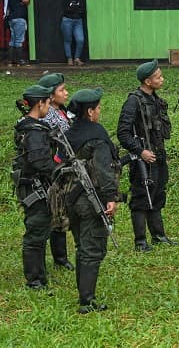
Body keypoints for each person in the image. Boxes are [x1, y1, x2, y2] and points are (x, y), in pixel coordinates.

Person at [61, 88, 119, 313]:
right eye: (98, 107)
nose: (100, 111)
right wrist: (111, 198)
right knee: (92, 249)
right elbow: (104, 171)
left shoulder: (68, 133)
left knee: (81, 246)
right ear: (90, 111)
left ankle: (84, 294)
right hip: (90, 199)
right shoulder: (97, 135)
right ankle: (87, 301)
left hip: (70, 199)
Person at [117, 60, 175, 251]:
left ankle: (158, 235)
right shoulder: (134, 101)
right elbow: (123, 133)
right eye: (158, 77)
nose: (162, 79)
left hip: (158, 155)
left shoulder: (155, 99)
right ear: (148, 81)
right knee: (141, 198)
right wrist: (140, 151)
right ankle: (140, 241)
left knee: (157, 195)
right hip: (143, 159)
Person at [13, 83, 56, 289]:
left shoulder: (28, 125)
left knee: (40, 232)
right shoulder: (34, 131)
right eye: (48, 103)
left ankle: (40, 274)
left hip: (33, 185)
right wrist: (58, 168)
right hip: (34, 187)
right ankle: (34, 280)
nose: (49, 107)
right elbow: (40, 162)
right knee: (35, 233)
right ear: (40, 103)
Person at [38, 72, 74, 271]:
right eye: (62, 90)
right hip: (54, 170)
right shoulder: (47, 117)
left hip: (66, 169)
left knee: (62, 211)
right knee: (55, 212)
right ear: (50, 96)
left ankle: (61, 256)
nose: (66, 93)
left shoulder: (63, 111)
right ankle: (59, 258)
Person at [5, 0, 30, 66]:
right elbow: (27, 0)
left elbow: (19, 3)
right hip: (19, 19)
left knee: (13, 40)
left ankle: (10, 61)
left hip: (12, 18)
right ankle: (19, 60)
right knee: (19, 40)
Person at [61, 0, 85, 65]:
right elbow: (65, 9)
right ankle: (69, 58)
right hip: (67, 20)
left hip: (78, 21)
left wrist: (73, 9)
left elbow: (82, 9)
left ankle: (77, 58)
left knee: (80, 40)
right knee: (68, 40)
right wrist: (75, 10)